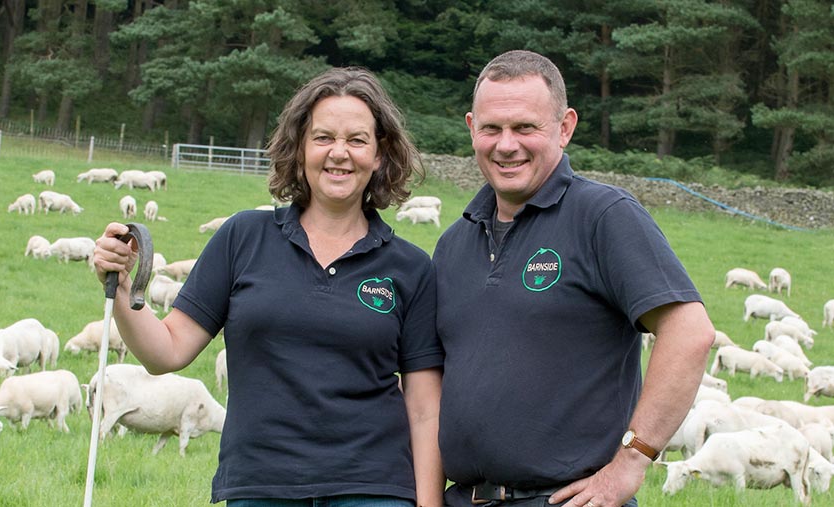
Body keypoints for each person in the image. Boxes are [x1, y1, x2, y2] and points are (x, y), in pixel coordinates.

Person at [92, 67, 445, 507]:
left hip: (372, 488)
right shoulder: (243, 237)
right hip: (261, 486)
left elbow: (426, 410)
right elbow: (167, 351)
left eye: (357, 140)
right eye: (323, 138)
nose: (340, 153)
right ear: (299, 149)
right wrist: (124, 287)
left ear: (379, 154)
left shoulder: (410, 267)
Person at [433, 50, 715, 507]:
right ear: (471, 128)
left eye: (525, 127)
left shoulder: (603, 216)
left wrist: (631, 463)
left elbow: (690, 332)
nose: (506, 144)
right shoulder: (452, 244)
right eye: (491, 128)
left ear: (564, 127)